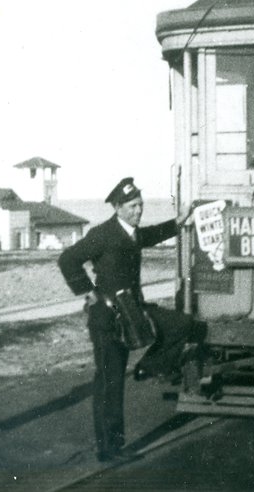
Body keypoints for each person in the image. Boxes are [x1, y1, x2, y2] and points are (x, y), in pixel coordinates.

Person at [57, 177, 205, 462]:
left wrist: (179, 221)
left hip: (132, 311)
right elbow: (68, 259)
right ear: (118, 207)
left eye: (140, 204)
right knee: (110, 382)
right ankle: (109, 449)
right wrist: (88, 292)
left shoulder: (132, 233)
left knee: (183, 325)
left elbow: (152, 234)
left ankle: (148, 367)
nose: (139, 210)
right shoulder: (103, 234)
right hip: (107, 320)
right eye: (133, 206)